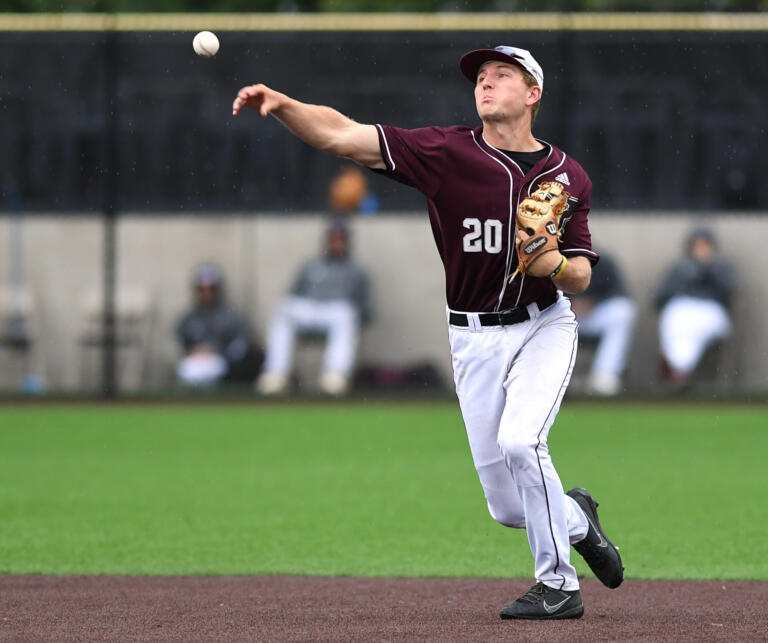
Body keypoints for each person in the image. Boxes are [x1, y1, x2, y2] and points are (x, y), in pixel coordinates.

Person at [233, 44, 623, 620]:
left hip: (543, 326)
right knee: (508, 506)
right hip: (472, 338)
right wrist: (285, 104)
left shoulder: (568, 175)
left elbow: (583, 275)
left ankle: (558, 586)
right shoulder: (444, 152)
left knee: (523, 443)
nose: (485, 84)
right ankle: (576, 517)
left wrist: (553, 266)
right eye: (480, 77)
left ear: (533, 94)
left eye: (501, 75)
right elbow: (343, 135)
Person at [256, 221, 371, 396]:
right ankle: (276, 374)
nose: (337, 243)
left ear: (347, 242)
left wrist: (357, 319)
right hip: (310, 311)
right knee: (283, 308)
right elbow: (293, 294)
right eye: (333, 239)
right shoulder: (311, 266)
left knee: (346, 313)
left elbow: (365, 308)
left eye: (340, 239)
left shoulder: (356, 271)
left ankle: (335, 375)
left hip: (336, 314)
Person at [654, 226, 736, 389]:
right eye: (697, 244)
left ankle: (676, 369)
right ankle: (680, 371)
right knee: (677, 322)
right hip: (680, 310)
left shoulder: (722, 267)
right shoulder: (678, 268)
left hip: (711, 311)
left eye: (704, 244)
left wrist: (705, 268)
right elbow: (659, 297)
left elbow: (726, 293)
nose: (701, 249)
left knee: (693, 329)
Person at [175, 263, 262, 387]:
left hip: (221, 361)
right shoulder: (190, 317)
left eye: (210, 289)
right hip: (197, 361)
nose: (206, 293)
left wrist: (216, 351)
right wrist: (194, 351)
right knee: (188, 369)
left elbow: (240, 345)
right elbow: (181, 340)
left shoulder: (229, 315)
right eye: (202, 289)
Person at [570, 250, 636, 396]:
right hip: (560, 317)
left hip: (593, 316)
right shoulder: (548, 257)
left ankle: (604, 377)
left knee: (622, 312)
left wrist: (593, 301)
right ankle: (555, 378)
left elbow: (618, 291)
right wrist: (569, 303)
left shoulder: (602, 261)